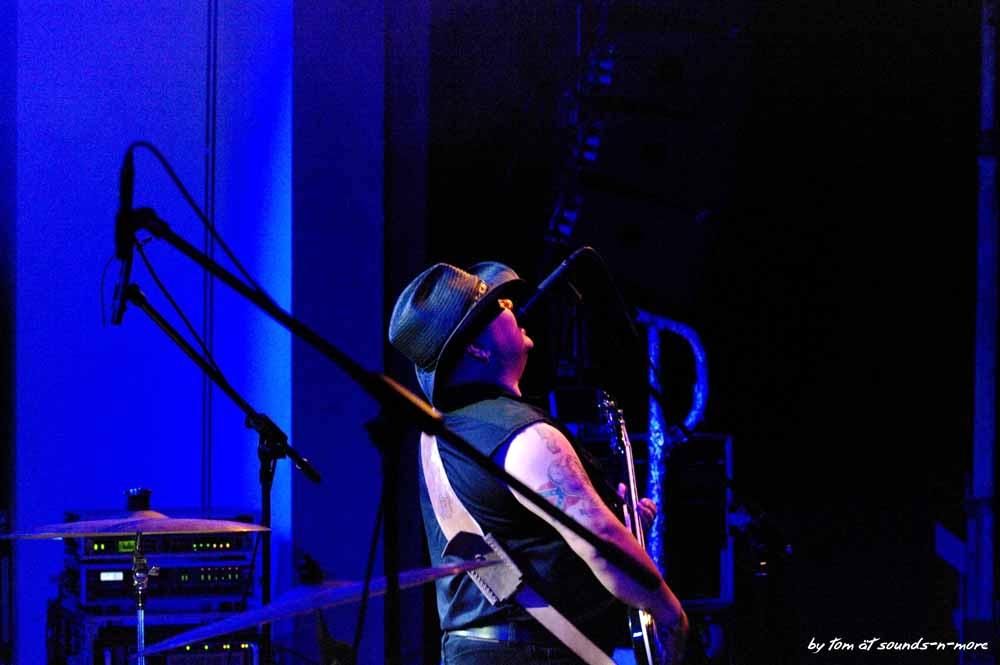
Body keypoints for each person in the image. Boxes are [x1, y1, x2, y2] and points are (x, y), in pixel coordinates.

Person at [389, 260, 688, 664]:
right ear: (477, 348)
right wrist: (669, 612)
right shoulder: (524, 434)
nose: (510, 305)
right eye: (495, 306)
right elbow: (600, 544)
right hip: (533, 653)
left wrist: (620, 522)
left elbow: (524, 545)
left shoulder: (441, 439)